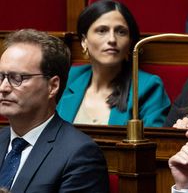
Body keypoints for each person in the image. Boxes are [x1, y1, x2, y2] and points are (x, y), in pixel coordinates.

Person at [0, 29, 108, 192]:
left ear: (53, 86)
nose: (3, 88)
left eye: (17, 78)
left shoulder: (79, 154)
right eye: (1, 77)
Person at [57, 0, 170, 127]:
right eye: (102, 30)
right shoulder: (68, 77)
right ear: (84, 41)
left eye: (121, 32)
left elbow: (155, 142)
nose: (112, 39)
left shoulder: (148, 86)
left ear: (130, 42)